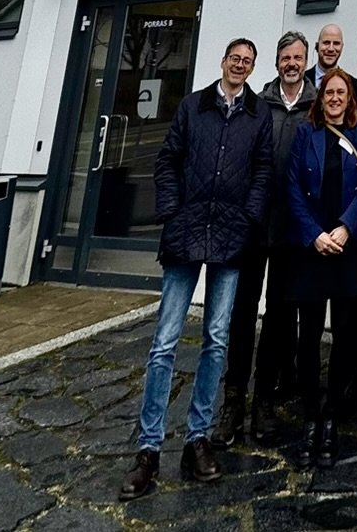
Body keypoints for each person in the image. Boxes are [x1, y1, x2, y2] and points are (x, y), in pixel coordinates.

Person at [119, 39, 273, 500]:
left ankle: (197, 439)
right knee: (165, 341)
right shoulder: (192, 106)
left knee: (217, 338)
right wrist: (171, 211)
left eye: (247, 62)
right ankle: (148, 448)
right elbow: (168, 159)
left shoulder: (258, 114)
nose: (240, 66)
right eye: (235, 59)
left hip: (230, 235)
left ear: (252, 68)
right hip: (186, 231)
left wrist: (247, 219)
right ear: (223, 62)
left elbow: (262, 169)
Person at [214, 31, 315, 446]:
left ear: (305, 63)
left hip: (292, 230)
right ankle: (233, 399)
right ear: (276, 63)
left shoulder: (315, 106)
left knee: (279, 317)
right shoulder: (257, 105)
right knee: (242, 313)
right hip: (253, 226)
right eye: (285, 57)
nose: (291, 63)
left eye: (298, 57)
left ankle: (264, 399)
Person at [287, 68, 357, 468]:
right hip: (312, 247)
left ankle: (331, 417)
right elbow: (292, 188)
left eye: (341, 93)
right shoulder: (305, 134)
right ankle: (311, 412)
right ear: (320, 98)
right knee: (308, 335)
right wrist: (314, 234)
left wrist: (346, 227)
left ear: (349, 99)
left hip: (347, 246)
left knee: (344, 333)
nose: (335, 98)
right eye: (329, 92)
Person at [304, 23, 357, 99]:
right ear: (317, 46)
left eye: (336, 43)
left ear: (342, 47)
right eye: (326, 43)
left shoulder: (354, 85)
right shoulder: (302, 80)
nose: (331, 49)